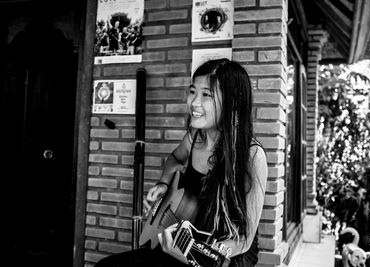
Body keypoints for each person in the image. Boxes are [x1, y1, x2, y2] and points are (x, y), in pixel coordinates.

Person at [94, 59, 268, 267]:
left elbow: (245, 239)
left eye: (206, 95)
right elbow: (174, 158)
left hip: (226, 257)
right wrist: (163, 184)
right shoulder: (195, 138)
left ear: (233, 102)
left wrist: (196, 253)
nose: (194, 102)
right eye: (192, 91)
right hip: (179, 240)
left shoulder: (252, 156)